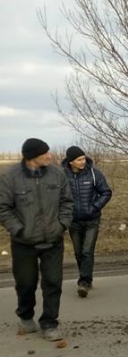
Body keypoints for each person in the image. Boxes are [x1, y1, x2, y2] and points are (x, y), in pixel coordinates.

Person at [0, 138, 73, 341]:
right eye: (45, 153)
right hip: (24, 243)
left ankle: (49, 323)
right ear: (32, 157)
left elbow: (67, 202)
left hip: (53, 240)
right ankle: (25, 315)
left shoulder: (57, 174)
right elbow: (3, 208)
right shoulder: (10, 178)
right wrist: (19, 230)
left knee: (53, 282)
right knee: (25, 283)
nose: (50, 156)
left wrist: (62, 224)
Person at [62, 146, 112, 297]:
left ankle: (84, 282)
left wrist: (94, 207)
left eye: (83, 158)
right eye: (79, 159)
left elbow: (106, 192)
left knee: (87, 251)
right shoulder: (62, 176)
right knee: (78, 252)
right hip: (73, 222)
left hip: (92, 220)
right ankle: (86, 279)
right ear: (71, 162)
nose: (83, 161)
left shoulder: (94, 174)